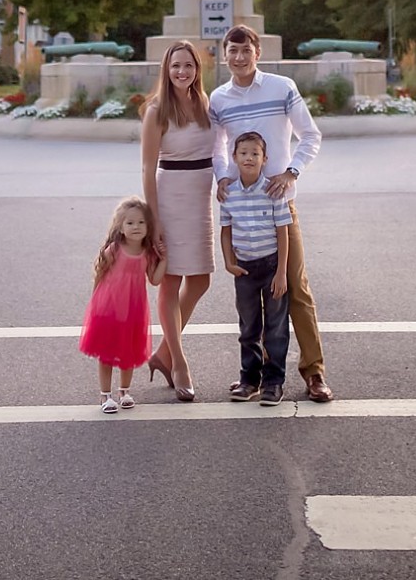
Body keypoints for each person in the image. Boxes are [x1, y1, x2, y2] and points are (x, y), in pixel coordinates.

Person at [209, 24, 333, 402]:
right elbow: (216, 148)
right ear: (224, 54)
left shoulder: (282, 88)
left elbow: (310, 135)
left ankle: (313, 373)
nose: (239, 57)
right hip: (243, 210)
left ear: (257, 53)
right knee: (250, 301)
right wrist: (224, 179)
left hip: (280, 206)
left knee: (295, 289)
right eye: (232, 50)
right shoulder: (218, 99)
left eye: (246, 50)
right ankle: (258, 376)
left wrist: (291, 171)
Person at [140, 40, 215, 402]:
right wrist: (154, 220)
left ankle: (163, 353)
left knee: (200, 280)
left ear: (197, 69)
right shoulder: (156, 111)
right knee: (169, 282)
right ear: (166, 71)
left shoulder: (205, 104)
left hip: (200, 201)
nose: (182, 72)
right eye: (175, 67)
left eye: (188, 65)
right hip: (170, 198)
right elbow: (147, 168)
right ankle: (180, 362)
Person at [218, 131, 292, 405]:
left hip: (272, 266)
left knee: (275, 327)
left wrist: (282, 272)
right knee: (248, 326)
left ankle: (274, 382)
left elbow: (283, 232)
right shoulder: (229, 194)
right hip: (245, 270)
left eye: (255, 153)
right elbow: (225, 231)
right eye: (243, 153)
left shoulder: (273, 190)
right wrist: (229, 261)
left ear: (264, 159)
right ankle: (249, 380)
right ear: (235, 158)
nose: (249, 158)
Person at [78, 197, 162, 413]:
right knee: (106, 353)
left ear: (148, 226)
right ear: (121, 227)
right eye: (130, 223)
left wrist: (165, 259)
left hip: (134, 309)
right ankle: (105, 395)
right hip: (109, 308)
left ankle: (124, 391)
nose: (136, 227)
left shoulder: (147, 252)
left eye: (141, 222)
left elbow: (155, 279)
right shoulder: (115, 249)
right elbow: (101, 275)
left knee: (128, 353)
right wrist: (96, 303)